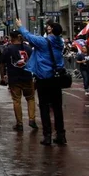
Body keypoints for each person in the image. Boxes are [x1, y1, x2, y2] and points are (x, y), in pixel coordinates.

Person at [16, 18, 66, 146]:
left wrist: (20, 26)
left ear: (52, 31)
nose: (47, 30)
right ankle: (61, 134)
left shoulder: (44, 42)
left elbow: (28, 36)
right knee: (57, 107)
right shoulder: (60, 42)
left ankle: (47, 135)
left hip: (44, 78)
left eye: (49, 29)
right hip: (56, 78)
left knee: (44, 107)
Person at [0, 31, 37, 131]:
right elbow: (34, 62)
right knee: (30, 98)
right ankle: (32, 119)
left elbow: (2, 64)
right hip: (27, 76)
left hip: (14, 78)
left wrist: (2, 76)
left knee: (17, 100)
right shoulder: (28, 49)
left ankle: (19, 123)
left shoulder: (8, 49)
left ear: (11, 38)